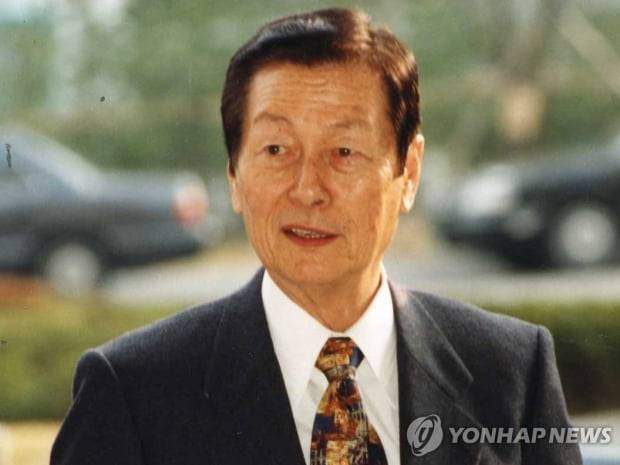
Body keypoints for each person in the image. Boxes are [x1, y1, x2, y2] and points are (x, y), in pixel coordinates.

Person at [51, 8, 582, 465]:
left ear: (409, 172)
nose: (308, 190)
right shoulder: (132, 393)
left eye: (344, 152)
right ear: (233, 175)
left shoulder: (513, 370)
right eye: (276, 150)